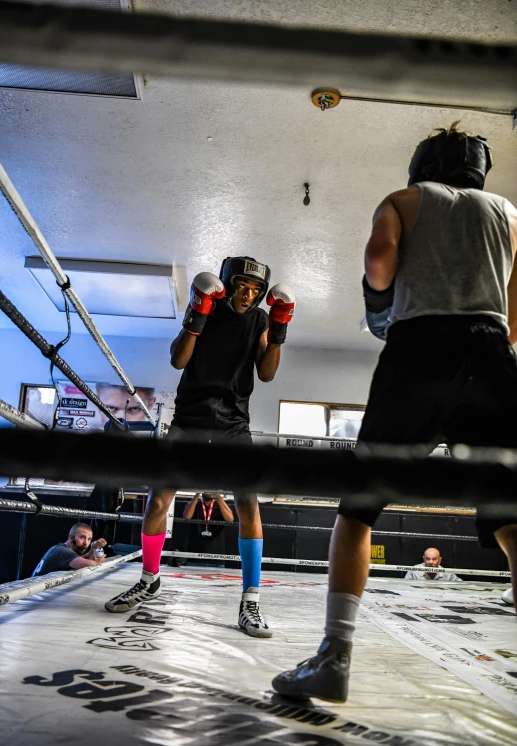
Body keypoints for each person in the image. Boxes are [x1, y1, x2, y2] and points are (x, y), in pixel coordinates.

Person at [273, 122, 517, 702]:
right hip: (491, 352)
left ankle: (334, 657)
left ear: (422, 166)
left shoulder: (404, 199)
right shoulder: (508, 212)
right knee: (512, 514)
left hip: (418, 349)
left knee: (359, 508)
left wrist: (380, 294)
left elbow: (379, 258)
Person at [104, 256, 295, 638]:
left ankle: (251, 600)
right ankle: (149, 579)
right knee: (159, 500)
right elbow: (178, 360)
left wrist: (278, 328)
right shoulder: (206, 311)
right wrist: (196, 313)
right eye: (243, 285)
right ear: (227, 283)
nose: (249, 294)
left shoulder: (259, 320)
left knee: (247, 503)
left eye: (256, 290)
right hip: (189, 420)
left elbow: (268, 372)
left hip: (233, 422)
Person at [32, 523, 106, 576]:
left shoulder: (60, 548)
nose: (86, 543)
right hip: (33, 595)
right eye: (82, 537)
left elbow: (83, 558)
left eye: (89, 539)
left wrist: (93, 548)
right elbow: (89, 566)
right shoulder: (63, 551)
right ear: (71, 538)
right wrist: (99, 561)